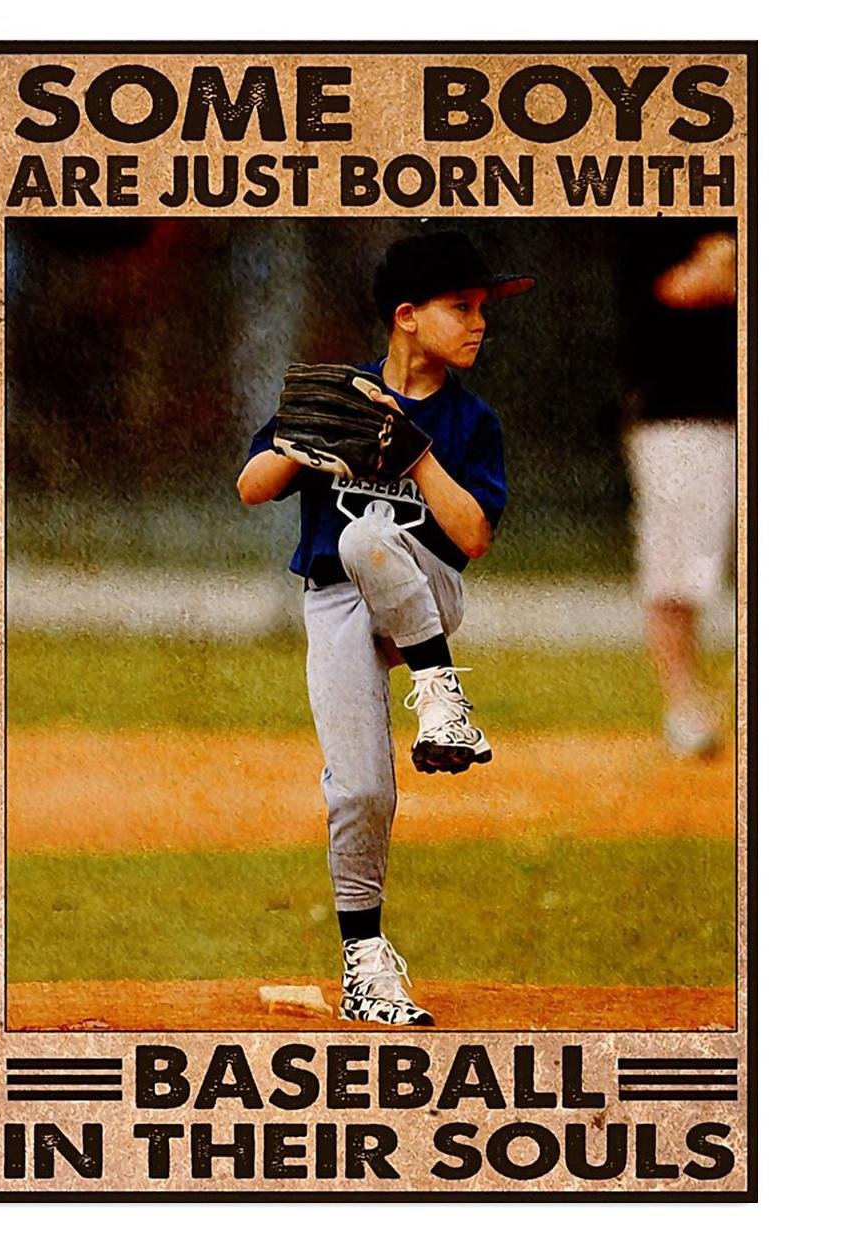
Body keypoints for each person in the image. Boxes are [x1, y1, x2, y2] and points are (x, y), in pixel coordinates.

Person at [236, 230, 533, 1025]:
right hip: (335, 602)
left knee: (369, 535)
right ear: (407, 316)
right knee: (360, 787)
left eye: (481, 310)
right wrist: (307, 444)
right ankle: (366, 965)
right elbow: (252, 486)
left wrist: (416, 452)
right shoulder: (346, 391)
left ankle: (442, 695)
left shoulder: (472, 421)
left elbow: (471, 539)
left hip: (428, 593)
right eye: (461, 308)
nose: (479, 323)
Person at [618, 223, 738, 758]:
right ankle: (685, 708)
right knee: (678, 570)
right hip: (683, 415)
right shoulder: (656, 208)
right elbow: (681, 287)